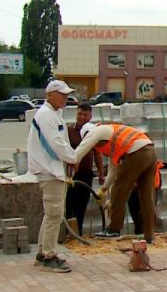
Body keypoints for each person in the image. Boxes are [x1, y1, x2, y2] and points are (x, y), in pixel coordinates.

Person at [27, 79, 81, 273]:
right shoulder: (46, 115)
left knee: (51, 214)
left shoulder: (54, 114)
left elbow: (61, 142)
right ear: (50, 95)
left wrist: (68, 160)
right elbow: (57, 144)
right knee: (55, 214)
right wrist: (72, 157)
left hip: (53, 169)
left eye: (67, 94)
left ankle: (43, 252)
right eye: (62, 94)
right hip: (49, 170)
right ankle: (48, 256)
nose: (65, 98)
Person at [72, 123, 159, 243]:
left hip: (137, 152)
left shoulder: (97, 130)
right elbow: (113, 170)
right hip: (150, 151)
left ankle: (114, 228)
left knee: (119, 189)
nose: (95, 145)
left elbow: (82, 148)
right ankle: (149, 235)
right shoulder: (113, 141)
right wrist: (103, 189)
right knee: (146, 196)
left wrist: (72, 163)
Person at [65, 103, 105, 235]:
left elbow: (97, 153)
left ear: (90, 116)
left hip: (86, 174)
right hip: (71, 175)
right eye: (79, 114)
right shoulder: (69, 131)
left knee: (81, 207)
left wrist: (100, 173)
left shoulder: (93, 132)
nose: (82, 117)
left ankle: (78, 234)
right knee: (68, 204)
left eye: (85, 114)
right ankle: (67, 233)